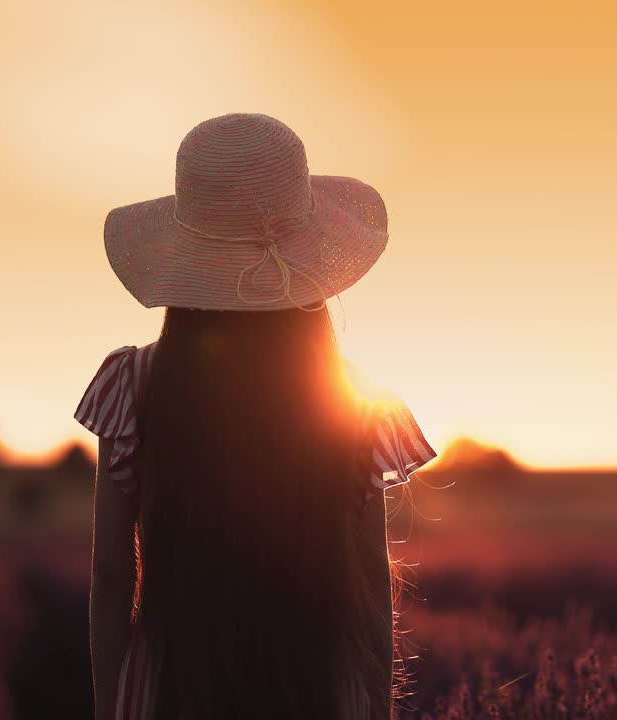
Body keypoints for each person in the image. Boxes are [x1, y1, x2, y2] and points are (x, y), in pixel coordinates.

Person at [76, 113, 436, 720]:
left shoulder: (132, 384)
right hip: (321, 691)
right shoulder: (355, 402)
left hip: (168, 692)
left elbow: (112, 576)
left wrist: (111, 706)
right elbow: (373, 583)